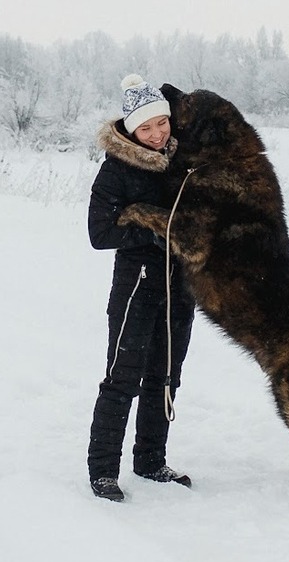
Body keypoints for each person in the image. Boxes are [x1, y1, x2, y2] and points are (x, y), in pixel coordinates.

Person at [86, 74, 195, 502]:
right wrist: (152, 230)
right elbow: (99, 233)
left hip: (179, 288)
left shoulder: (180, 160)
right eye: (145, 128)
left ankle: (150, 460)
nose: (155, 134)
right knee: (122, 378)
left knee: (166, 377)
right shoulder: (116, 170)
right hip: (137, 286)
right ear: (131, 130)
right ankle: (102, 472)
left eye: (161, 124)